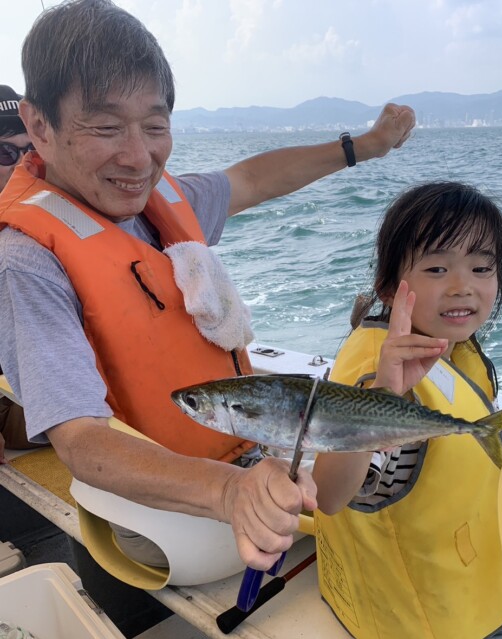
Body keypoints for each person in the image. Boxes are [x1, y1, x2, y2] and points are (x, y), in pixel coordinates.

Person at [0, 0, 415, 579]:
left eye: (154, 125)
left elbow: (250, 179)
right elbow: (83, 442)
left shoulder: (156, 199)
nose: (138, 156)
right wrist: (230, 492)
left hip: (243, 464)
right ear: (40, 125)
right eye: (105, 126)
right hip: (162, 525)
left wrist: (364, 147)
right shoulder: (26, 260)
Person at [311, 181, 502, 639]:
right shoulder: (383, 375)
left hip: (420, 582)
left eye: (482, 267)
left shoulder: (439, 341)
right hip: (426, 622)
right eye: (437, 268)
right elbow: (331, 494)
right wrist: (382, 400)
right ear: (390, 287)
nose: (463, 286)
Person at [0, 84, 38, 463]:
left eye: (32, 151)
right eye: (5, 152)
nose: (21, 164)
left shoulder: (46, 217)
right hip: (12, 403)